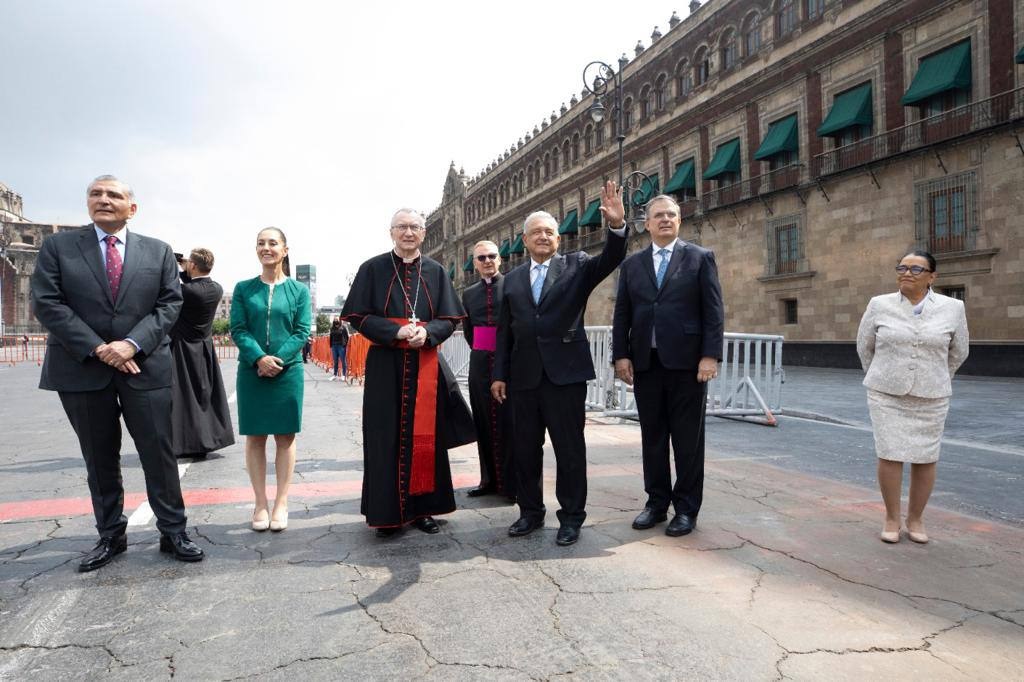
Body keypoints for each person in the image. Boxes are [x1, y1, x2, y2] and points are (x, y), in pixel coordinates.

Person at [30, 175, 203, 571]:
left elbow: (169, 304)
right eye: (95, 193)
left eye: (114, 195)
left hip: (145, 365)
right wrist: (98, 347)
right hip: (82, 367)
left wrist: (131, 344)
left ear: (132, 208)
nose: (103, 199)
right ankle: (111, 535)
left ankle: (173, 530)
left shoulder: (158, 252)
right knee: (99, 456)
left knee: (159, 453)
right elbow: (47, 303)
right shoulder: (58, 248)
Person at [492, 181, 627, 546]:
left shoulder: (576, 265)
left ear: (557, 238)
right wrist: (498, 374)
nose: (543, 237)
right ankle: (530, 513)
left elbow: (611, 260)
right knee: (525, 450)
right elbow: (505, 331)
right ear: (524, 240)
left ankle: (571, 518)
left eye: (549, 232)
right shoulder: (512, 280)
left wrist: (616, 228)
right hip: (522, 378)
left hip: (564, 376)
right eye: (536, 232)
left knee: (569, 450)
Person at [342, 208, 474, 537]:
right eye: (402, 227)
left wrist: (427, 334)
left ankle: (424, 510)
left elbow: (449, 319)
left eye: (415, 227)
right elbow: (358, 317)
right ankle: (387, 513)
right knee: (384, 436)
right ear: (391, 232)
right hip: (385, 365)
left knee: (426, 437)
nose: (408, 232)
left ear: (424, 233)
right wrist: (395, 332)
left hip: (424, 362)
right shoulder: (372, 268)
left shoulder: (437, 271)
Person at [612, 194, 724, 537]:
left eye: (671, 215)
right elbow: (622, 314)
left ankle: (686, 509)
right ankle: (656, 503)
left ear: (679, 221)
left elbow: (713, 311)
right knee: (653, 437)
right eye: (658, 215)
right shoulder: (632, 265)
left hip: (688, 365)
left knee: (688, 440)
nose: (665, 220)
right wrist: (621, 355)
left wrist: (710, 355)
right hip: (647, 364)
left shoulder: (700, 258)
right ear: (646, 224)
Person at [856, 250, 969, 544]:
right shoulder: (879, 305)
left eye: (916, 269)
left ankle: (916, 519)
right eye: (902, 267)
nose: (907, 273)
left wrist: (935, 375)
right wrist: (884, 374)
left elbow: (959, 352)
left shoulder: (953, 307)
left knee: (926, 457)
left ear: (932, 276)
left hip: (931, 394)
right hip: (886, 394)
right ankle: (892, 518)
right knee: (890, 454)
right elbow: (864, 347)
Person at [230, 227, 311, 532]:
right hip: (251, 371)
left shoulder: (299, 291)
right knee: (255, 437)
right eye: (261, 243)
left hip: (287, 372)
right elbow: (238, 329)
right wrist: (258, 358)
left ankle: (282, 502)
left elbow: (302, 331)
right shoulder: (243, 289)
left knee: (285, 437)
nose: (267, 248)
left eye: (273, 243)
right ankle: (260, 502)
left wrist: (277, 359)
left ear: (285, 250)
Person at [461, 240, 515, 501]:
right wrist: (483, 350)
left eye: (492, 256)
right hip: (480, 362)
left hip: (510, 362)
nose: (487, 261)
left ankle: (511, 483)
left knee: (510, 423)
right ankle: (488, 480)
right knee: (483, 420)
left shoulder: (513, 285)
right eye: (481, 257)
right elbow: (470, 332)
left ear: (500, 259)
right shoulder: (469, 294)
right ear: (475, 263)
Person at [169, 248, 235, 459]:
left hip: (183, 348)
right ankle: (209, 439)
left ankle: (186, 443)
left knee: (183, 398)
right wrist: (186, 265)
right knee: (205, 396)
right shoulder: (216, 288)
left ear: (194, 266)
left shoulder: (186, 291)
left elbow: (169, 283)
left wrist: (175, 264)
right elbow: (190, 280)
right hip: (204, 347)